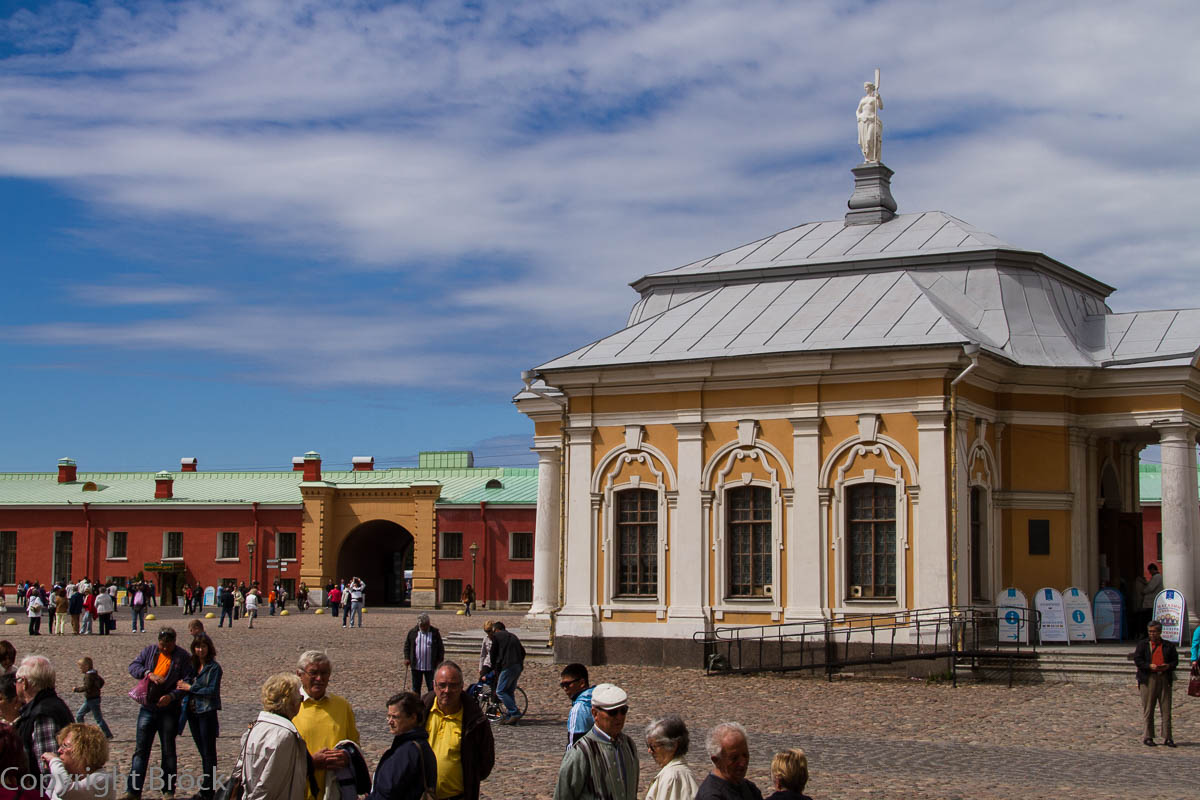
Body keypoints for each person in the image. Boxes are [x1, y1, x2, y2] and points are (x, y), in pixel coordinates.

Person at [123, 627, 196, 800]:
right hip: (148, 708)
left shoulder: (182, 657)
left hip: (169, 711)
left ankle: (168, 791)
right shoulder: (150, 651)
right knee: (140, 751)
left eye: (167, 646)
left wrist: (171, 697)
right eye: (162, 645)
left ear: (174, 642)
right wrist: (149, 674)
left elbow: (186, 681)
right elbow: (133, 666)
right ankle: (133, 791)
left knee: (168, 752)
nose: (164, 649)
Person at [291, 651, 359, 800]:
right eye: (313, 673)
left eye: (325, 673)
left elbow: (354, 746)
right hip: (299, 791)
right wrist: (311, 763)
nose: (319, 679)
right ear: (299, 674)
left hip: (335, 791)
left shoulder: (342, 706)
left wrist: (347, 758)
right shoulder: (290, 706)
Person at [553, 683, 637, 800]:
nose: (619, 717)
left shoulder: (629, 745)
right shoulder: (580, 753)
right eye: (612, 712)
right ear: (595, 713)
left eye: (623, 711)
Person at [423, 661, 494, 800]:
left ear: (462, 686)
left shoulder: (475, 720)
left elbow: (485, 762)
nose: (447, 690)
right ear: (434, 685)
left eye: (453, 685)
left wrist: (470, 776)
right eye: (442, 685)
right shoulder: (421, 711)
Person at [241, 673, 308, 800]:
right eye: (300, 699)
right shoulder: (284, 736)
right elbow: (269, 785)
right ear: (291, 703)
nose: (301, 703)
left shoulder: (254, 728)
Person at [366, 691, 437, 800]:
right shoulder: (418, 744)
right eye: (388, 716)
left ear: (413, 717)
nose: (390, 721)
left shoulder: (408, 750)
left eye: (395, 717)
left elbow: (388, 791)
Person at [14, 655, 74, 783]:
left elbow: (49, 768)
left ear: (24, 683)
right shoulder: (48, 705)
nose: (15, 685)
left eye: (17, 680)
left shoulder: (43, 714)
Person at [178, 634, 222, 800]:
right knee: (202, 751)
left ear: (208, 648)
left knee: (209, 752)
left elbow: (211, 691)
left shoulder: (214, 668)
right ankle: (207, 786)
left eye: (203, 647)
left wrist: (191, 688)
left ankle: (208, 789)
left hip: (206, 712)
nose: (200, 650)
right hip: (192, 712)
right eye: (198, 647)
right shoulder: (192, 665)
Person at [41, 722, 115, 800]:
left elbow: (65, 791)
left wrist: (54, 761)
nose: (59, 750)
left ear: (84, 751)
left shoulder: (103, 779)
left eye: (65, 746)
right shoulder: (63, 774)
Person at [1134, 619, 1178, 747]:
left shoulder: (1168, 645)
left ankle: (1168, 736)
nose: (1152, 634)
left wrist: (1167, 666)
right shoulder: (1143, 645)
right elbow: (1138, 660)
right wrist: (1149, 666)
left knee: (1166, 709)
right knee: (1149, 708)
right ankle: (1148, 736)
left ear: (1160, 632)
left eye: (1154, 632)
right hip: (1148, 679)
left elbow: (1175, 661)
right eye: (1150, 631)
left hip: (1164, 678)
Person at [696, 722, 763, 800]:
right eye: (734, 758)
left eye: (745, 755)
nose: (742, 763)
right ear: (716, 761)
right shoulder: (712, 795)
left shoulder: (749, 788)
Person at [643, 715, 699, 800]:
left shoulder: (672, 777)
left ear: (673, 746)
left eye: (653, 746)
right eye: (648, 746)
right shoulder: (677, 773)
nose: (649, 751)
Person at [488, 622, 525, 724]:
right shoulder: (513, 636)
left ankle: (514, 712)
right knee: (509, 691)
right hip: (518, 666)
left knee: (500, 691)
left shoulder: (497, 636)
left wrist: (494, 668)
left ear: (496, 630)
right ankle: (510, 715)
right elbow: (523, 652)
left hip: (508, 665)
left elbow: (493, 653)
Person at [71, 657, 113, 739]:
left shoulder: (88, 676)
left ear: (86, 666)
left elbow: (87, 687)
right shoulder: (95, 674)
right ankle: (106, 734)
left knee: (93, 717)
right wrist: (97, 689)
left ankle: (85, 733)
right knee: (81, 715)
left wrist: (76, 689)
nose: (80, 669)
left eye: (81, 667)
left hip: (91, 700)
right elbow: (102, 682)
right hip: (94, 699)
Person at [404, 615, 445, 694]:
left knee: (432, 688)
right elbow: (407, 646)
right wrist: (407, 658)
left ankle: (431, 703)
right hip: (416, 666)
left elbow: (440, 648)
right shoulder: (413, 632)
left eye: (425, 625)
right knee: (416, 688)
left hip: (430, 666)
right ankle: (416, 704)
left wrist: (440, 660)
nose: (424, 627)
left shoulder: (434, 633)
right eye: (422, 626)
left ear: (429, 623)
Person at [559, 663, 594, 747]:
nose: (565, 689)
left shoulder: (579, 710)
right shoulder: (598, 699)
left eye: (567, 684)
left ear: (582, 683)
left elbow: (574, 745)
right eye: (562, 685)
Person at [856, 79, 882, 163]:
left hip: (872, 120)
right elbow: (858, 110)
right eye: (865, 87)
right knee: (863, 142)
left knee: (869, 139)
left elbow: (881, 107)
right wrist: (859, 116)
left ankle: (874, 157)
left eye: (866, 87)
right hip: (863, 121)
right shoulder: (863, 99)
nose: (865, 89)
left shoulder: (874, 98)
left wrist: (879, 98)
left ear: (870, 88)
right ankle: (867, 158)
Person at [1139, 564, 1163, 637]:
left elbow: (1151, 587)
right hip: (1150, 602)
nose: (1149, 572)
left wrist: (1143, 591)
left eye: (1150, 570)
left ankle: (1147, 634)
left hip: (1151, 602)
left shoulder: (1157, 577)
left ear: (1152, 569)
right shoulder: (1156, 577)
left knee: (1148, 618)